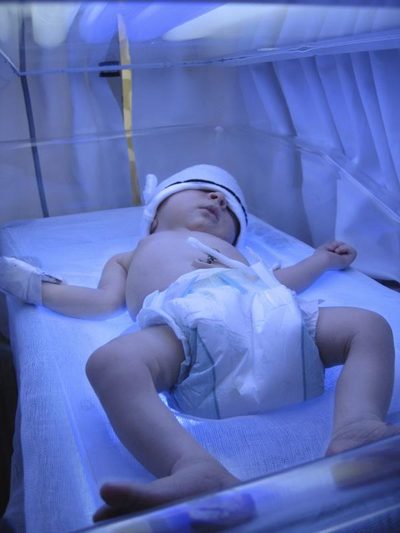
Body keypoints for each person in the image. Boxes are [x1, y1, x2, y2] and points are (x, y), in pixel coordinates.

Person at [0, 164, 399, 522]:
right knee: (110, 363)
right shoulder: (129, 255)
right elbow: (101, 302)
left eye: (229, 207)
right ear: (155, 213)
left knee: (368, 325)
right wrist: (36, 287)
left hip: (266, 314)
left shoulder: (235, 253)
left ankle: (356, 426)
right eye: (203, 189)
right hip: (183, 332)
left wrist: (322, 259)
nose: (218, 200)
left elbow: (280, 282)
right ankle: (193, 467)